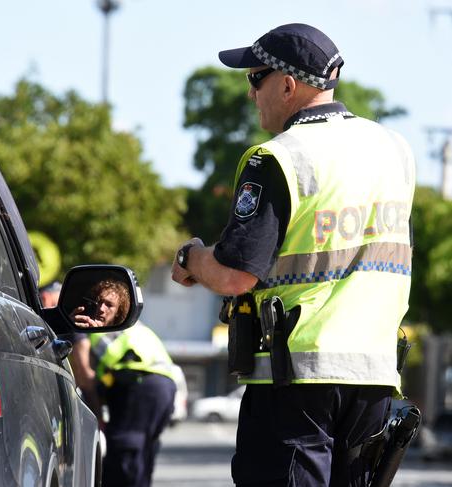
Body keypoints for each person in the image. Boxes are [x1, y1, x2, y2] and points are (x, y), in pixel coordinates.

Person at [171, 23, 415, 487]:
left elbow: (235, 276)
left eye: (254, 79)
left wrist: (191, 259)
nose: (251, 94)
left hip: (296, 380)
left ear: (288, 84)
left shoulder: (279, 157)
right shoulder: (395, 149)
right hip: (376, 378)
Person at [68, 279, 177, 487]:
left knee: (124, 454)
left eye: (109, 304)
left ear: (120, 310)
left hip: (139, 385)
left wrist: (97, 416)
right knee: (142, 455)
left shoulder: (84, 326)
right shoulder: (132, 326)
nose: (100, 308)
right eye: (97, 301)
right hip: (164, 387)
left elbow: (84, 376)